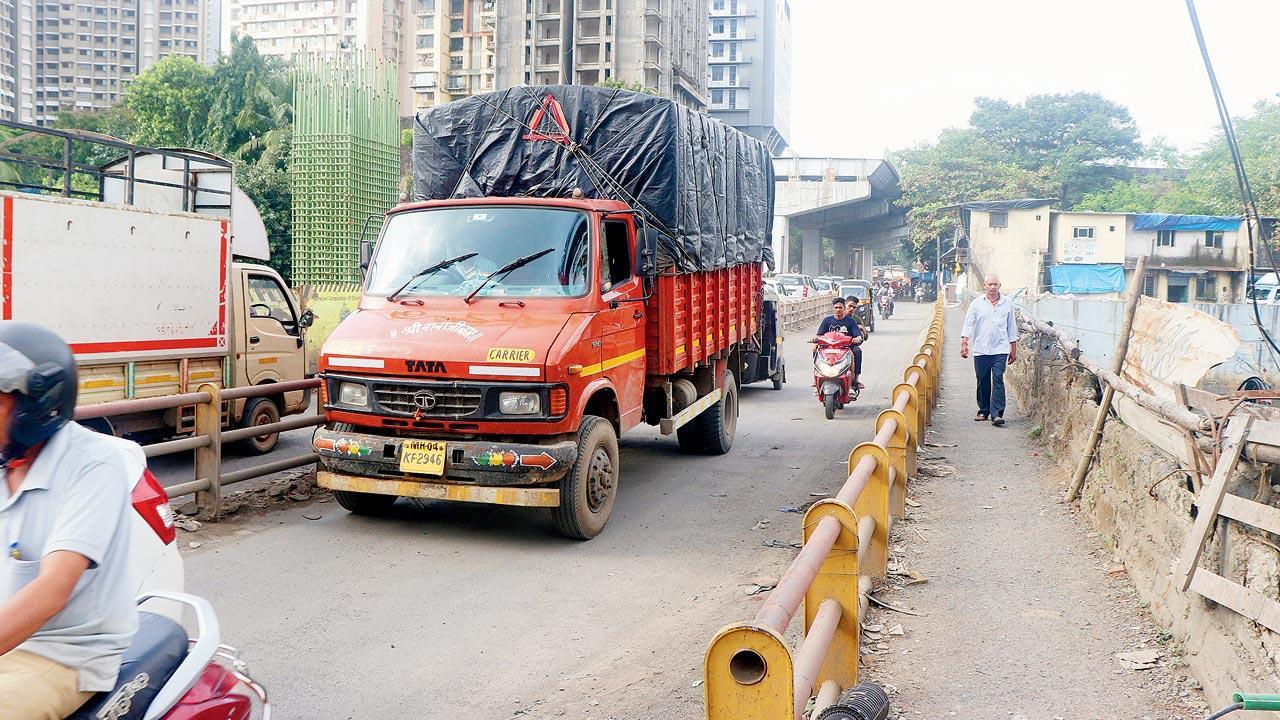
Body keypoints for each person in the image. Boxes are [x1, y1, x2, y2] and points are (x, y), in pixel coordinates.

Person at [0, 321, 139, 720]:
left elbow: (52, 590)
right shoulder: (7, 462)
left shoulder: (93, 464)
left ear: (35, 406)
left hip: (64, 654)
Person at [960, 273, 1018, 427]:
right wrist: (964, 341)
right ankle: (983, 410)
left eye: (995, 284)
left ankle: (997, 413)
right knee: (983, 380)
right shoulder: (976, 304)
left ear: (999, 285)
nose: (992, 287)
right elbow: (968, 323)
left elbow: (1011, 326)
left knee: (998, 378)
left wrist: (1014, 348)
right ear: (984, 286)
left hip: (1000, 348)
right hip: (981, 348)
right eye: (989, 284)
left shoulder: (1007, 303)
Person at [815, 297, 865, 389]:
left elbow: (858, 334)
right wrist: (816, 339)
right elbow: (819, 335)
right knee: (816, 350)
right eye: (836, 308)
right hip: (829, 347)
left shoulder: (851, 321)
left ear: (844, 307)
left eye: (840, 308)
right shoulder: (827, 320)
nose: (838, 310)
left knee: (857, 351)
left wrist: (857, 338)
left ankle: (855, 378)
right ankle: (817, 375)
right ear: (833, 308)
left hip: (846, 348)